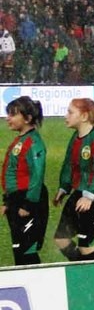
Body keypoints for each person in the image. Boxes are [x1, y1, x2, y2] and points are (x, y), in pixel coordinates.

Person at [53, 98, 94, 261]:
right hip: (78, 194)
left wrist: (89, 195)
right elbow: (68, 164)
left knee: (85, 244)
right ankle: (84, 270)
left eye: (70, 112)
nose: (66, 116)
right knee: (61, 239)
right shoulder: (75, 138)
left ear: (84, 116)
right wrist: (63, 188)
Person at [2, 96, 49, 265]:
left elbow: (37, 174)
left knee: (27, 249)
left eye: (13, 115)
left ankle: (40, 286)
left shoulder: (33, 142)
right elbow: (12, 172)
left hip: (28, 201)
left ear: (28, 119)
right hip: (17, 200)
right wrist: (8, 201)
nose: (8, 118)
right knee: (19, 248)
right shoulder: (19, 140)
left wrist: (28, 204)